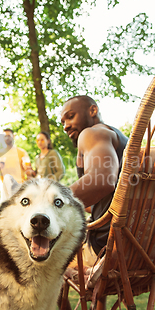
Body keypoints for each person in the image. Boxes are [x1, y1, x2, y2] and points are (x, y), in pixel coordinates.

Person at [60, 95, 128, 265]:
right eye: (62, 122)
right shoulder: (121, 139)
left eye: (70, 116)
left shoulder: (91, 133)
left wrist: (50, 200)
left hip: (105, 246)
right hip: (136, 242)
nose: (66, 126)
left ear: (93, 110)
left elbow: (101, 181)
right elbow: (105, 199)